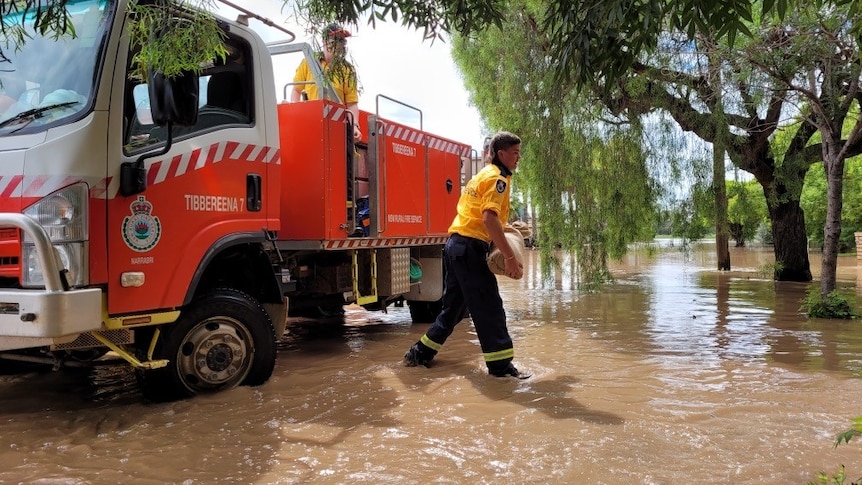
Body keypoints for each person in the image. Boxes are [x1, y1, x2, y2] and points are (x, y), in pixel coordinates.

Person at [403, 131, 530, 379]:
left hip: (456, 246)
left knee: (453, 310)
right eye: (515, 153)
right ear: (501, 154)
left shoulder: (483, 175)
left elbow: (481, 217)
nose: (518, 158)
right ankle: (501, 368)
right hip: (470, 248)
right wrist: (510, 258)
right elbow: (488, 218)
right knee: (490, 308)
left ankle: (419, 353)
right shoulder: (498, 179)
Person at [290, 23, 361, 141]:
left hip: (336, 126)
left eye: (342, 41)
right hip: (310, 122)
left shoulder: (348, 69)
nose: (340, 44)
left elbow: (351, 103)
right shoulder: (310, 61)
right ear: (324, 41)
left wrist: (354, 126)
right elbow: (296, 90)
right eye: (336, 39)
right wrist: (295, 115)